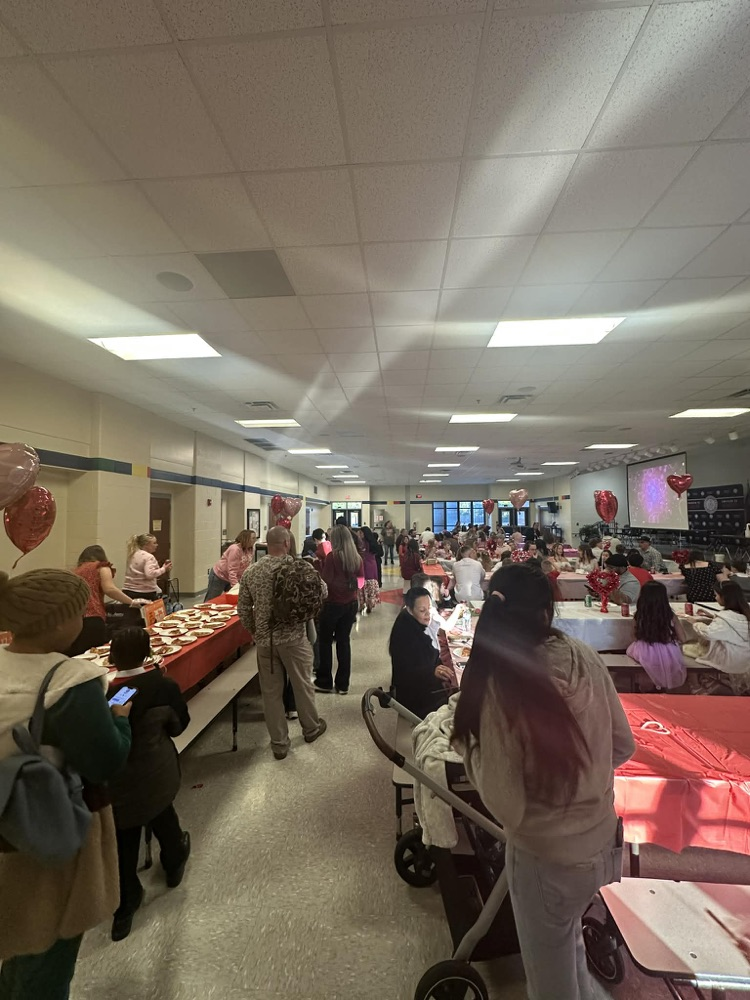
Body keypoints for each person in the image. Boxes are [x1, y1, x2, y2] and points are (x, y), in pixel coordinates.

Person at [452, 563, 635, 1000]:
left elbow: (506, 805)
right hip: (601, 845)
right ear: (546, 613)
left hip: (546, 860)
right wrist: (583, 781)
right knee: (569, 944)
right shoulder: (584, 657)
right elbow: (623, 746)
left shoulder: (501, 682)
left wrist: (471, 751)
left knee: (549, 981)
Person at [0, 568, 132, 999]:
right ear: (58, 622)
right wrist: (121, 723)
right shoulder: (71, 682)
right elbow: (104, 759)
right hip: (43, 829)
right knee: (44, 951)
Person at [106, 627, 191, 941]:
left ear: (112, 657)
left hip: (117, 784)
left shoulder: (111, 692)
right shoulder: (161, 685)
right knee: (161, 812)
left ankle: (125, 903)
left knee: (124, 834)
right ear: (147, 653)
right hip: (157, 774)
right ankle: (173, 861)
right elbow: (180, 727)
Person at [238, 527, 327, 759]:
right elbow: (323, 591)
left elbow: (243, 609)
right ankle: (311, 728)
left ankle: (279, 744)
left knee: (271, 693)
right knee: (302, 685)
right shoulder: (299, 567)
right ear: (287, 543)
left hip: (265, 642)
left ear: (267, 544)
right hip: (294, 639)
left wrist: (255, 632)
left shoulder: (252, 571)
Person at [69, 545, 146, 657]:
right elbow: (109, 589)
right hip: (93, 616)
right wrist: (132, 602)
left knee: (81, 655)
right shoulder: (101, 567)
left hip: (75, 618)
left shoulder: (76, 571)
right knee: (96, 655)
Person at [389, 588, 453, 719]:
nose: (428, 614)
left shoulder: (414, 623)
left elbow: (431, 656)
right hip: (414, 697)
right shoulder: (405, 633)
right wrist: (432, 672)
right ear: (410, 609)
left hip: (424, 685)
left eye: (429, 608)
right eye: (422, 611)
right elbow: (407, 671)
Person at [316, 525, 364, 695]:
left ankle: (325, 681)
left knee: (325, 642)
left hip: (332, 604)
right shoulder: (357, 558)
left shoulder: (332, 557)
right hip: (350, 604)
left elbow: (326, 581)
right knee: (344, 642)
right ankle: (343, 684)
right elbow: (360, 582)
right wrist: (348, 587)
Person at [689, 581, 750, 693]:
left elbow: (708, 634)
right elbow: (732, 625)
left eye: (716, 595)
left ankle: (696, 685)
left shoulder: (723, 620)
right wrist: (712, 616)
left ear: (724, 597)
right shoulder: (746, 612)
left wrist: (695, 623)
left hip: (730, 658)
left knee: (688, 649)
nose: (715, 597)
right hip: (745, 656)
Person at [626, 581, 687, 689]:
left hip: (644, 650)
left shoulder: (639, 615)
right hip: (668, 651)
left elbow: (633, 637)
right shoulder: (670, 615)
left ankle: (645, 685)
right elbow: (683, 638)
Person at [205, 529, 256, 600]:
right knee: (212, 599)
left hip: (232, 578)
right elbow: (232, 570)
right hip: (219, 576)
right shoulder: (235, 549)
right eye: (253, 538)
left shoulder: (251, 549)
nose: (255, 540)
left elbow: (247, 567)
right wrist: (235, 586)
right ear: (246, 538)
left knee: (233, 599)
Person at [124, 534, 172, 602]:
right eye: (154, 543)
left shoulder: (132, 555)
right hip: (145, 592)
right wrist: (164, 569)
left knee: (132, 612)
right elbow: (150, 575)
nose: (157, 545)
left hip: (128, 591)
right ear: (146, 545)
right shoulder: (149, 557)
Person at [357, 526, 381, 614]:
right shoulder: (373, 543)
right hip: (372, 566)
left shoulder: (361, 543)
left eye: (360, 533)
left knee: (361, 585)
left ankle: (362, 603)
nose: (359, 534)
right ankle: (370, 604)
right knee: (371, 585)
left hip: (363, 566)